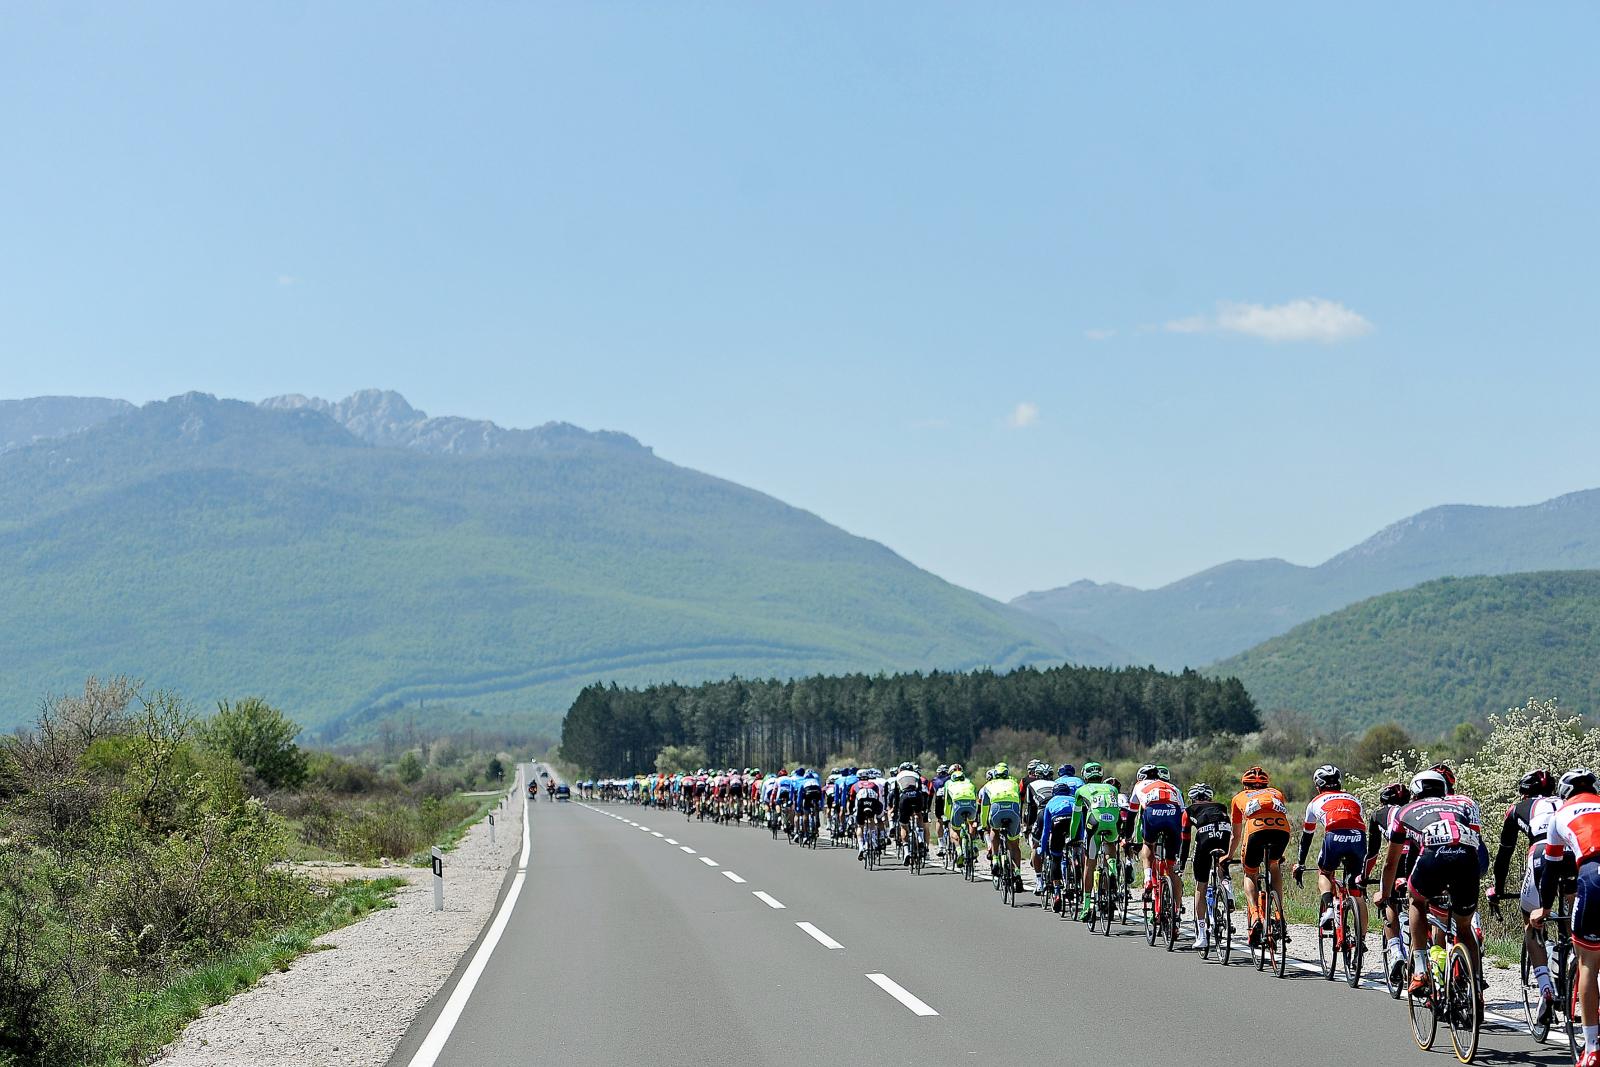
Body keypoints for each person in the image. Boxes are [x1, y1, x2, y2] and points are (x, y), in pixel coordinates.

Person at [1380, 769, 1485, 1000]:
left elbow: (1391, 862)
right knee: (1464, 927)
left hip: (1434, 858)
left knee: (1416, 900)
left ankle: (1419, 968)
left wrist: (1384, 894)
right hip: (1468, 860)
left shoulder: (1404, 811)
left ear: (1416, 791)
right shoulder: (1459, 808)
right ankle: (1476, 988)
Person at [1534, 768, 1600, 1067]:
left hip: (1592, 874)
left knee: (1587, 962)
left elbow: (1551, 869)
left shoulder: (1561, 814)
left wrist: (1545, 908)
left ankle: (1591, 1048)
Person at [1490, 768, 1560, 1017]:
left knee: (1530, 921)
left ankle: (1545, 989)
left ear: (1524, 794)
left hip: (1541, 854)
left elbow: (1504, 857)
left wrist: (1497, 889)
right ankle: (1570, 958)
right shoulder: (1566, 802)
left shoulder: (1518, 809)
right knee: (1574, 919)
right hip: (1576, 854)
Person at [1293, 764, 1367, 934]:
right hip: (1359, 837)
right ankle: (1361, 940)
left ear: (1318, 786)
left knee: (1325, 873)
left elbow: (1307, 836)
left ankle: (1328, 909)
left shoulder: (1313, 803)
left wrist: (1300, 863)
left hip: (1334, 836)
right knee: (1356, 890)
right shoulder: (1354, 799)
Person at [1226, 766, 1290, 948]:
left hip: (1256, 831)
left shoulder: (1238, 797)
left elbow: (1236, 835)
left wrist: (1228, 856)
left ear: (1245, 785)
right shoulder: (1276, 793)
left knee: (1250, 872)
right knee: (1274, 865)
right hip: (1281, 830)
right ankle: (1279, 914)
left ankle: (1254, 914)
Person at [1367, 781, 1414, 986]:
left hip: (1396, 860)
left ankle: (1396, 951)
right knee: (1419, 901)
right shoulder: (1413, 810)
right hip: (1417, 858)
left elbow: (1373, 853)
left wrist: (1363, 876)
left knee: (1388, 901)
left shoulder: (1378, 815)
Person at [1129, 763, 1187, 913]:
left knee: (1148, 845)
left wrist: (1127, 836)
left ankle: (1148, 878)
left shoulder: (1139, 785)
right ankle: (1177, 909)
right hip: (1173, 814)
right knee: (1171, 866)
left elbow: (1132, 813)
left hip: (1153, 813)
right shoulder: (1173, 787)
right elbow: (1183, 814)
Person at [1182, 783, 1232, 950]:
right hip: (1225, 833)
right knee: (1220, 862)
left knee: (1200, 885)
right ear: (1209, 797)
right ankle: (1227, 887)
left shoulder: (1189, 810)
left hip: (1205, 837)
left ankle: (1202, 935)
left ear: (1193, 798)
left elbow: (1185, 839)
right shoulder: (1221, 806)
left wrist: (1181, 865)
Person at [1069, 763, 1122, 920]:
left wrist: (1073, 838)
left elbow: (1076, 819)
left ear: (1085, 776)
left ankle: (1086, 906)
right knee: (1110, 846)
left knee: (1089, 864)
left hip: (1095, 822)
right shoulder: (1112, 788)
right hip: (1114, 822)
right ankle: (1112, 869)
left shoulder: (1081, 790)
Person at [979, 762, 1025, 890]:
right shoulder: (1014, 783)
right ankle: (1017, 873)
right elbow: (1019, 802)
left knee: (995, 829)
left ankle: (995, 860)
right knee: (1014, 845)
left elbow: (984, 808)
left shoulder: (988, 785)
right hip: (1013, 810)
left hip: (997, 809)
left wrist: (984, 825)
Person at [1036, 775, 1078, 911]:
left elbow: (1046, 830)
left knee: (1056, 857)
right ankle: (1076, 869)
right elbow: (1081, 822)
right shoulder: (1074, 800)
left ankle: (1057, 891)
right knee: (1075, 849)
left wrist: (1042, 848)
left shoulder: (1050, 802)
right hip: (1073, 824)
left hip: (1058, 824)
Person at [942, 766, 979, 864]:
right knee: (971, 823)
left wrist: (948, 816)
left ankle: (959, 851)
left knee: (954, 830)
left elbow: (947, 802)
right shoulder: (969, 782)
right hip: (971, 805)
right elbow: (976, 797)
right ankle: (974, 844)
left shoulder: (948, 783)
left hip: (958, 806)